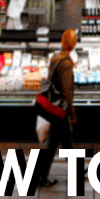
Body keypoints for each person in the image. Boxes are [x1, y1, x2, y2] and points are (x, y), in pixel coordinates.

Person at [36, 29, 78, 188]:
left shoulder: (54, 57)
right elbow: (67, 92)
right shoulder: (66, 63)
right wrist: (72, 113)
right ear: (73, 45)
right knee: (54, 142)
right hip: (60, 108)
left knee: (66, 139)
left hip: (52, 104)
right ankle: (42, 176)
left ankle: (76, 170)